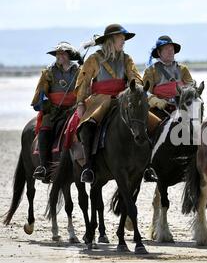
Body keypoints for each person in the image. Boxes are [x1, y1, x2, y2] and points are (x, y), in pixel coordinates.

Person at [74, 24, 161, 183]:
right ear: (110, 39)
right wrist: (80, 103)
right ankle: (89, 167)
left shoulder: (127, 59)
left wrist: (137, 88)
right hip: (100, 99)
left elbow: (134, 76)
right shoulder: (94, 59)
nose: (123, 41)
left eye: (124, 38)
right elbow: (84, 81)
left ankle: (148, 165)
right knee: (87, 126)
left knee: (154, 124)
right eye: (121, 38)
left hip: (123, 98)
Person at [31, 42, 82, 182]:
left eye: (62, 53)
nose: (59, 56)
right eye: (58, 53)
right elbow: (41, 91)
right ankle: (43, 166)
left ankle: (88, 165)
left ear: (69, 56)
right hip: (54, 110)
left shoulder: (78, 71)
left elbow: (84, 89)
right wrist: (44, 102)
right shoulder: (48, 72)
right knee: (44, 128)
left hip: (74, 109)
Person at [143, 35, 194, 120]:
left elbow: (191, 88)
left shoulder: (183, 69)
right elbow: (145, 92)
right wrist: (155, 101)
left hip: (182, 109)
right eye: (166, 49)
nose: (170, 52)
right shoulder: (150, 71)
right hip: (159, 110)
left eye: (172, 49)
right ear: (159, 53)